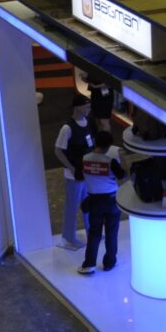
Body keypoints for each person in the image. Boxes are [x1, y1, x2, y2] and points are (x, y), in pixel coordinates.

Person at [78, 131, 126, 275]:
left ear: (94, 141)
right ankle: (109, 263)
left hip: (94, 201)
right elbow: (123, 176)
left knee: (94, 234)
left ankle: (89, 264)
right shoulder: (110, 161)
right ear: (109, 146)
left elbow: (79, 176)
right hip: (112, 200)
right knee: (112, 232)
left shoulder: (84, 159)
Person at [54, 94, 96, 250]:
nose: (89, 109)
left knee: (88, 204)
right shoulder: (67, 128)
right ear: (78, 107)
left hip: (87, 172)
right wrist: (71, 168)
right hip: (74, 175)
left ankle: (92, 232)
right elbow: (58, 151)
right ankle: (68, 238)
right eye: (87, 106)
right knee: (72, 207)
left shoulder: (88, 122)